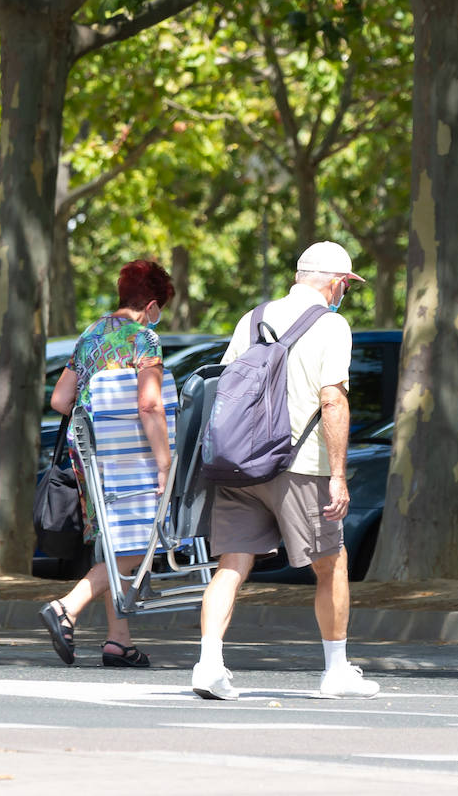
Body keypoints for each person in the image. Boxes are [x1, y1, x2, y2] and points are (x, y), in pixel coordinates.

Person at [191, 240, 380, 701]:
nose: (345, 293)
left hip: (240, 463)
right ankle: (335, 671)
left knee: (232, 564)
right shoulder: (333, 325)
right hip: (300, 465)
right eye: (346, 285)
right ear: (336, 282)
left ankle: (208, 664)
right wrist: (338, 474)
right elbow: (332, 399)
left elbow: (225, 389)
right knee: (331, 563)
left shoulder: (252, 319)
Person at [39, 257, 175, 668]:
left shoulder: (91, 333)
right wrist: (165, 460)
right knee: (141, 543)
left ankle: (118, 641)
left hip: (89, 453)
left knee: (115, 542)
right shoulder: (145, 339)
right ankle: (68, 606)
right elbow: (150, 405)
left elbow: (60, 400)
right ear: (151, 305)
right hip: (130, 455)